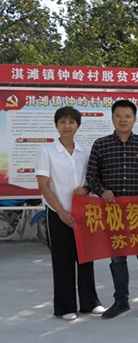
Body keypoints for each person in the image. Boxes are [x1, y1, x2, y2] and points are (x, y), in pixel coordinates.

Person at [86, 100, 138, 319]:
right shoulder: (101, 144)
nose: (123, 120)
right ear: (112, 118)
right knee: (117, 258)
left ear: (135, 119)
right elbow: (92, 176)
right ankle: (121, 301)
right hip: (114, 211)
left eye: (127, 116)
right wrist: (102, 191)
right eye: (118, 116)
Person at [35, 107, 105, 321]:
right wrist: (61, 211)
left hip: (83, 213)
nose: (67, 126)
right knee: (62, 260)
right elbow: (44, 186)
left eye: (71, 122)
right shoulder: (47, 151)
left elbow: (92, 178)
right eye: (63, 122)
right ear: (56, 125)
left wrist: (86, 188)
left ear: (77, 126)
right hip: (58, 213)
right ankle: (65, 306)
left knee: (85, 257)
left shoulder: (85, 151)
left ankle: (90, 302)